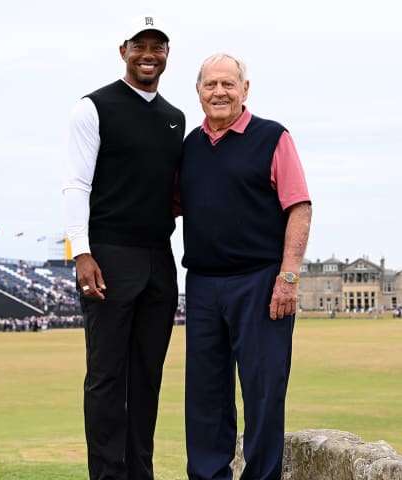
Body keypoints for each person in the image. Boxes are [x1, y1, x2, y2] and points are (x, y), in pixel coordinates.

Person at [61, 15, 185, 480]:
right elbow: (75, 184)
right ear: (123, 51)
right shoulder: (92, 108)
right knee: (107, 378)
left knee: (147, 378)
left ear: (168, 54)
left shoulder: (176, 117)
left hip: (160, 260)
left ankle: (141, 472)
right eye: (140, 45)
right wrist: (81, 252)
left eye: (158, 46)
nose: (149, 54)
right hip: (108, 255)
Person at [179, 53, 312, 480]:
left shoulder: (272, 137)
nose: (219, 92)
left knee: (263, 393)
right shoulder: (189, 148)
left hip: (261, 283)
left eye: (228, 84)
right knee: (205, 397)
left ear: (245, 89)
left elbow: (300, 207)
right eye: (210, 85)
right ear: (198, 92)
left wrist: (288, 277)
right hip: (201, 284)